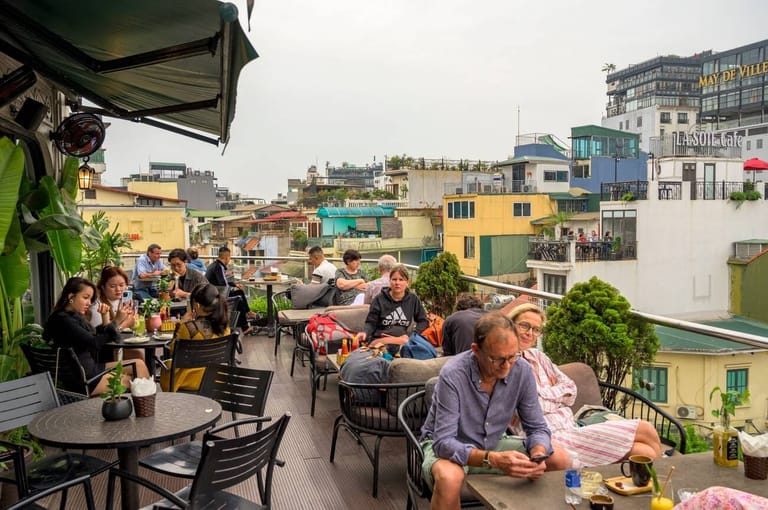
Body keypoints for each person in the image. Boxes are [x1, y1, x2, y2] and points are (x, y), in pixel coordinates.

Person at [421, 312, 569, 509]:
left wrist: (538, 453)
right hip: (449, 445)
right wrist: (493, 460)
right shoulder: (454, 373)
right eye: (497, 359)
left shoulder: (522, 370)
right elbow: (444, 443)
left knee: (559, 459)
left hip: (492, 442)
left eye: (512, 357)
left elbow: (537, 427)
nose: (507, 366)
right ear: (476, 350)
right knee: (449, 478)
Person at [506, 303, 662, 467]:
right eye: (524, 325)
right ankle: (662, 485)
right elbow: (533, 406)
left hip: (570, 426)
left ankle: (660, 487)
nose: (530, 333)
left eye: (536, 329)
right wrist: (556, 394)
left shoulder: (537, 356)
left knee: (644, 452)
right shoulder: (506, 362)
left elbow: (570, 388)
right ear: (510, 325)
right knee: (644, 429)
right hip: (546, 436)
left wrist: (544, 394)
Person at [43, 277, 150, 396]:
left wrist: (108, 319)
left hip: (88, 370)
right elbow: (94, 343)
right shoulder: (63, 320)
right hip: (85, 379)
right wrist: (118, 321)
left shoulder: (68, 317)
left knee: (139, 364)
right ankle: (145, 407)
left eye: (90, 299)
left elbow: (93, 335)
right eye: (85, 297)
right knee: (136, 381)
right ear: (71, 297)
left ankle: (144, 406)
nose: (89, 303)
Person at [160, 283, 231, 392]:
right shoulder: (225, 328)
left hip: (189, 380)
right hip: (217, 378)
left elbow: (174, 351)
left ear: (197, 305)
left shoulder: (188, 328)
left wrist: (182, 322)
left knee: (166, 365)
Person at [363, 264, 427, 352]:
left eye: (401, 280)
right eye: (394, 279)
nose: (397, 283)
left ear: (407, 282)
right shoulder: (379, 299)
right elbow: (371, 322)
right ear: (390, 281)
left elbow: (423, 321)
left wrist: (413, 335)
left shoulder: (413, 299)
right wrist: (365, 333)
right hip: (380, 341)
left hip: (402, 341)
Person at [205, 246, 252, 331]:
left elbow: (222, 283)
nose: (229, 259)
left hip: (214, 293)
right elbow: (224, 285)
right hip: (216, 297)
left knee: (240, 292)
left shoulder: (214, 265)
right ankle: (245, 327)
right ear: (226, 257)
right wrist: (233, 288)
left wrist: (234, 284)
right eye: (229, 257)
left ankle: (248, 313)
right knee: (239, 299)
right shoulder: (219, 267)